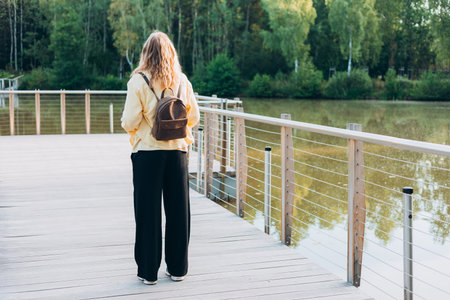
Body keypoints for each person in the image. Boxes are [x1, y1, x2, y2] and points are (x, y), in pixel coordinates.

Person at [121, 30, 200, 285]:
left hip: (147, 154)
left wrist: (141, 130)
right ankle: (177, 269)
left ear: (146, 53)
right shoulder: (181, 80)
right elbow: (193, 117)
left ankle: (148, 272)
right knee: (179, 212)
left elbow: (129, 121)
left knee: (147, 212)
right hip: (177, 153)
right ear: (171, 53)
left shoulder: (138, 81)